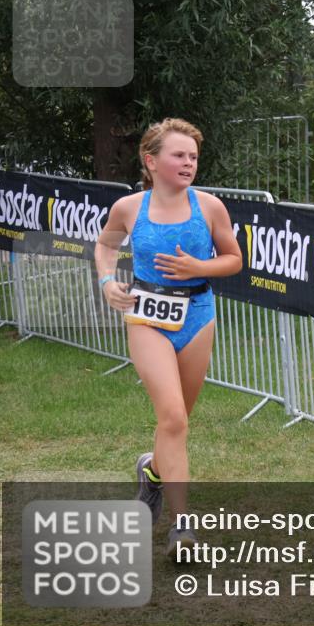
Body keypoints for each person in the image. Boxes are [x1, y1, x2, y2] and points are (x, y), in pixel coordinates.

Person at [94, 118, 242, 558]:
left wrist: (200, 268)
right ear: (151, 161)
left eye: (193, 157)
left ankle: (152, 471)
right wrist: (107, 281)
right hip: (147, 317)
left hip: (198, 316)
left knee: (176, 426)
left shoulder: (210, 207)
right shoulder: (129, 208)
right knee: (173, 418)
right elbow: (105, 245)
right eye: (179, 155)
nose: (188, 163)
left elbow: (233, 259)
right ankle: (182, 528)